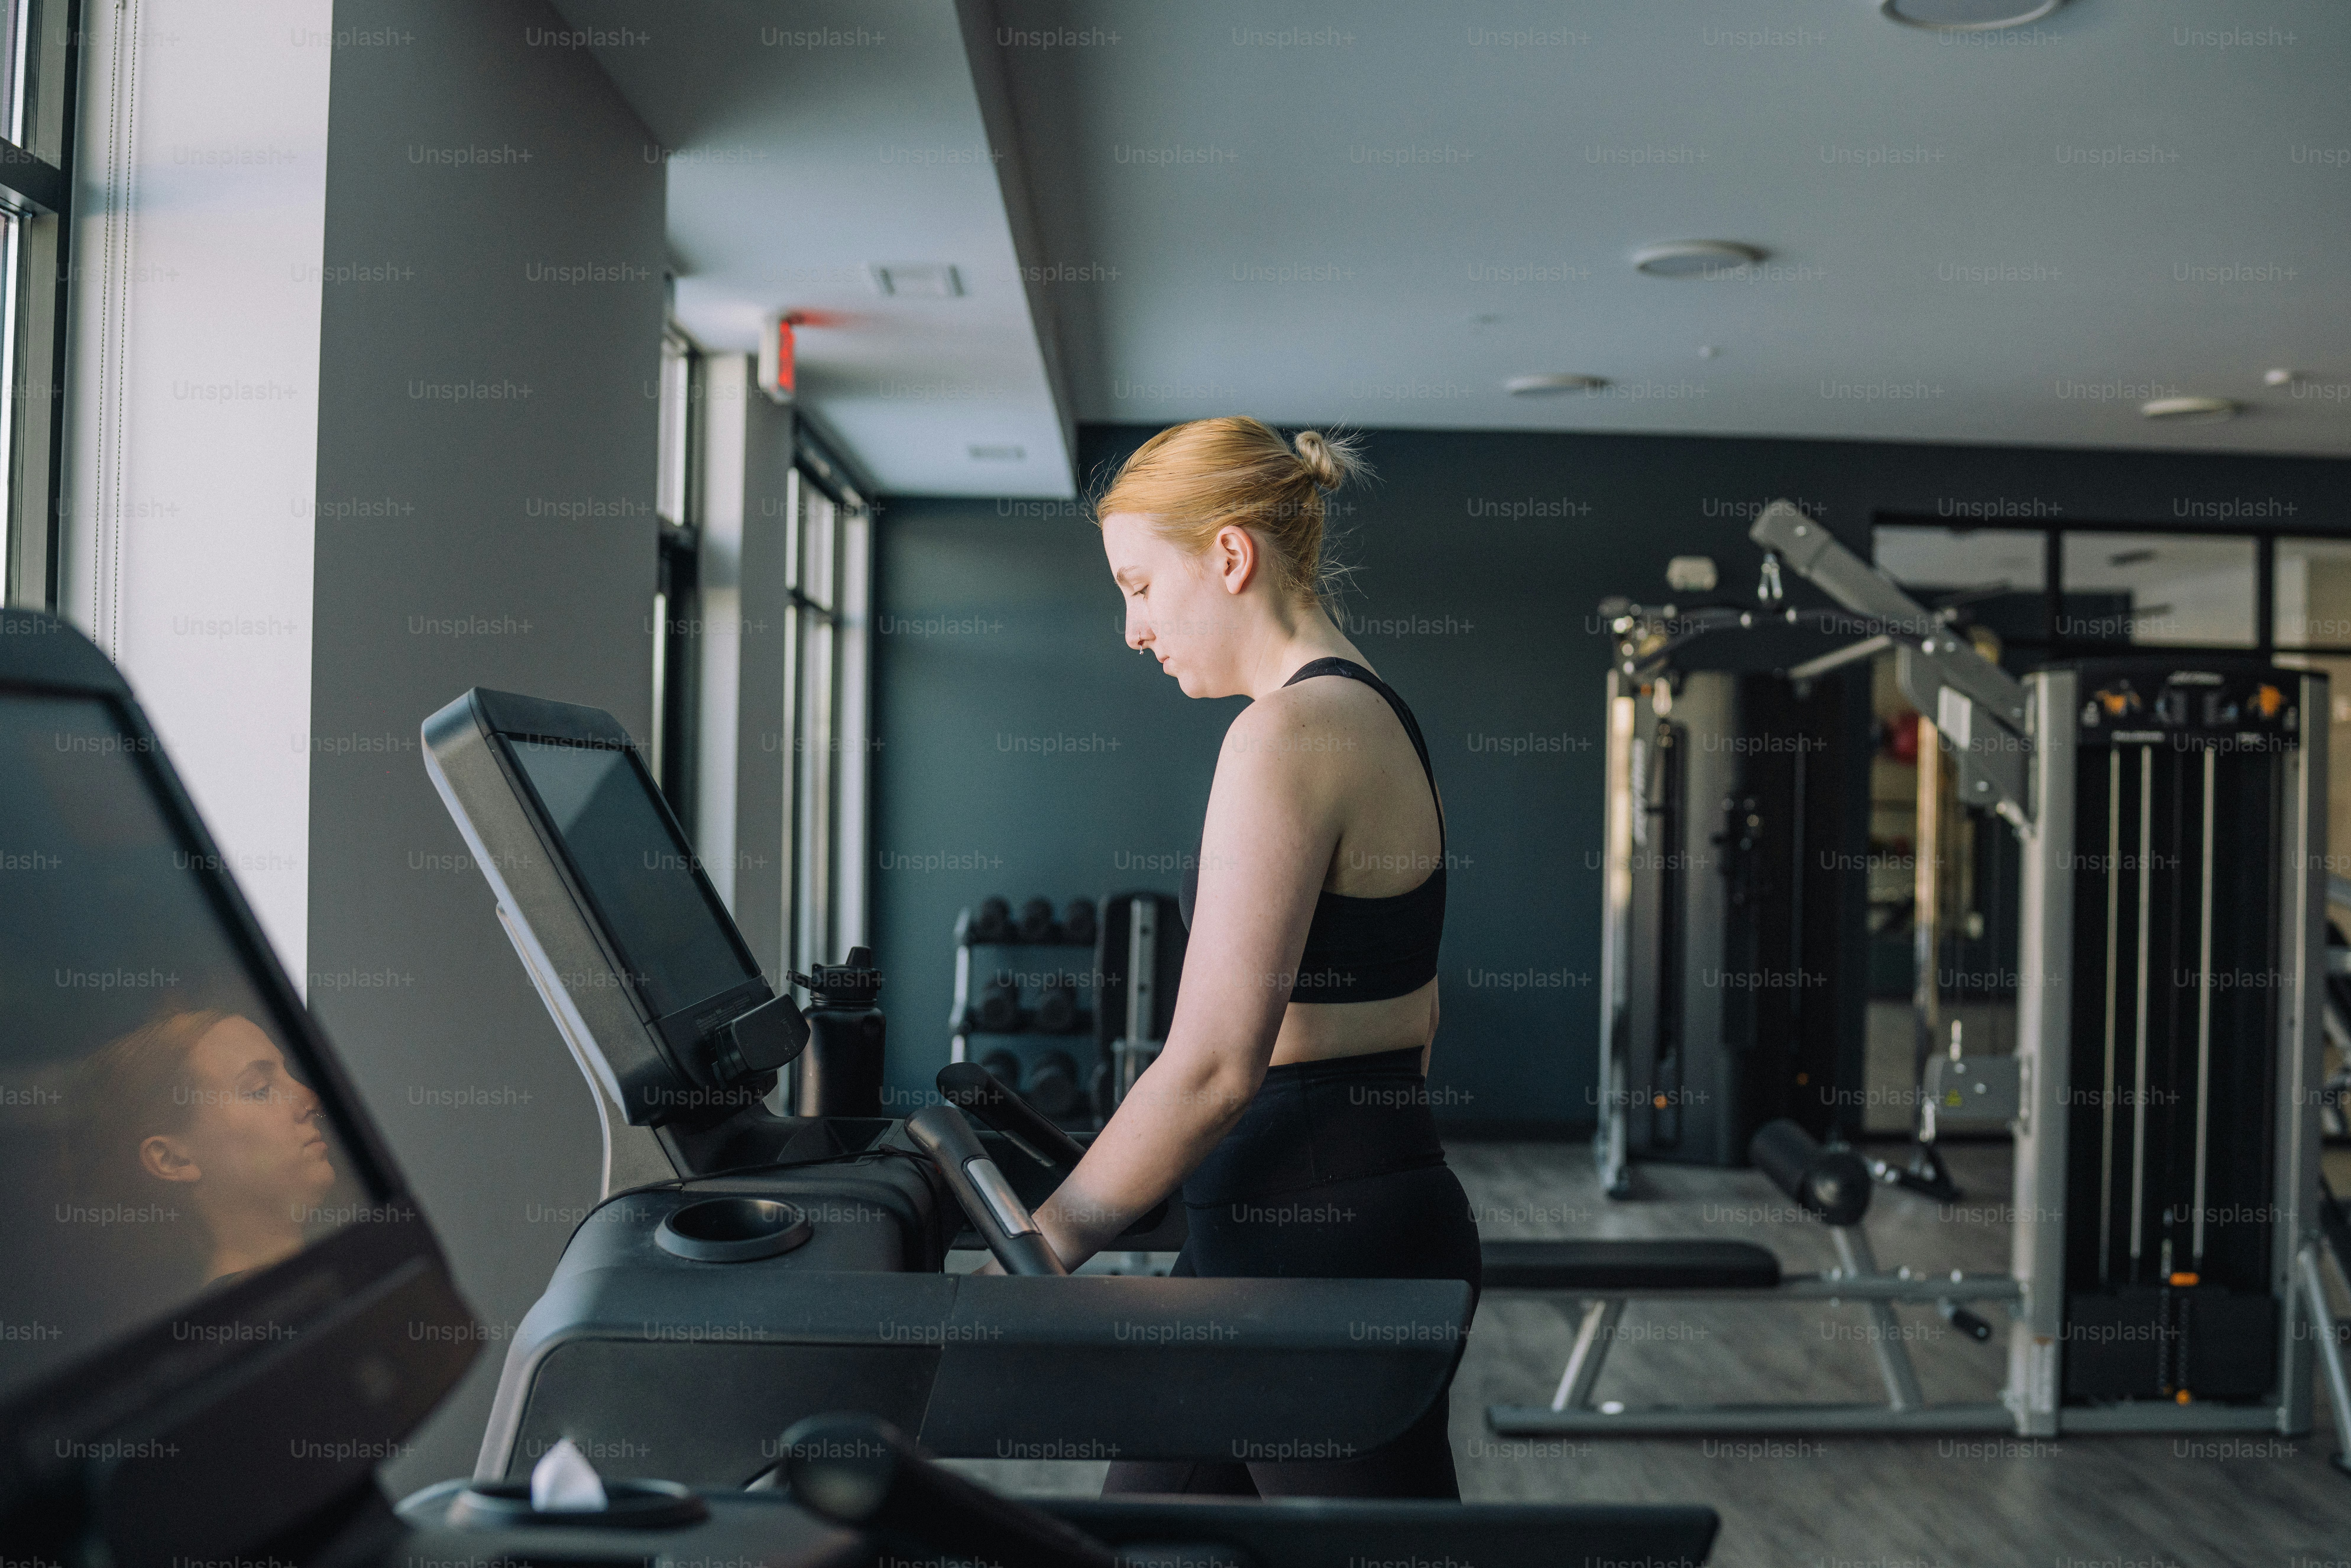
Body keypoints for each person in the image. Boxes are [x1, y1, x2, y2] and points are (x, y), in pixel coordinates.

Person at [1028, 416, 1478, 1499]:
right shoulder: (1374, 715)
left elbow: (1211, 1068)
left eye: (1139, 586)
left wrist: (1037, 1248)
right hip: (1293, 1224)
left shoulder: (1285, 734)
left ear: (1229, 555)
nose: (1132, 629)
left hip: (1317, 1257)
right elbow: (1413, 1019)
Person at [75, 1009, 340, 1288]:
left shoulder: (327, 1273)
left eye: (289, 1074)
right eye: (260, 1089)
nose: (310, 1099)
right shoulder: (252, 1312)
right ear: (173, 1159)